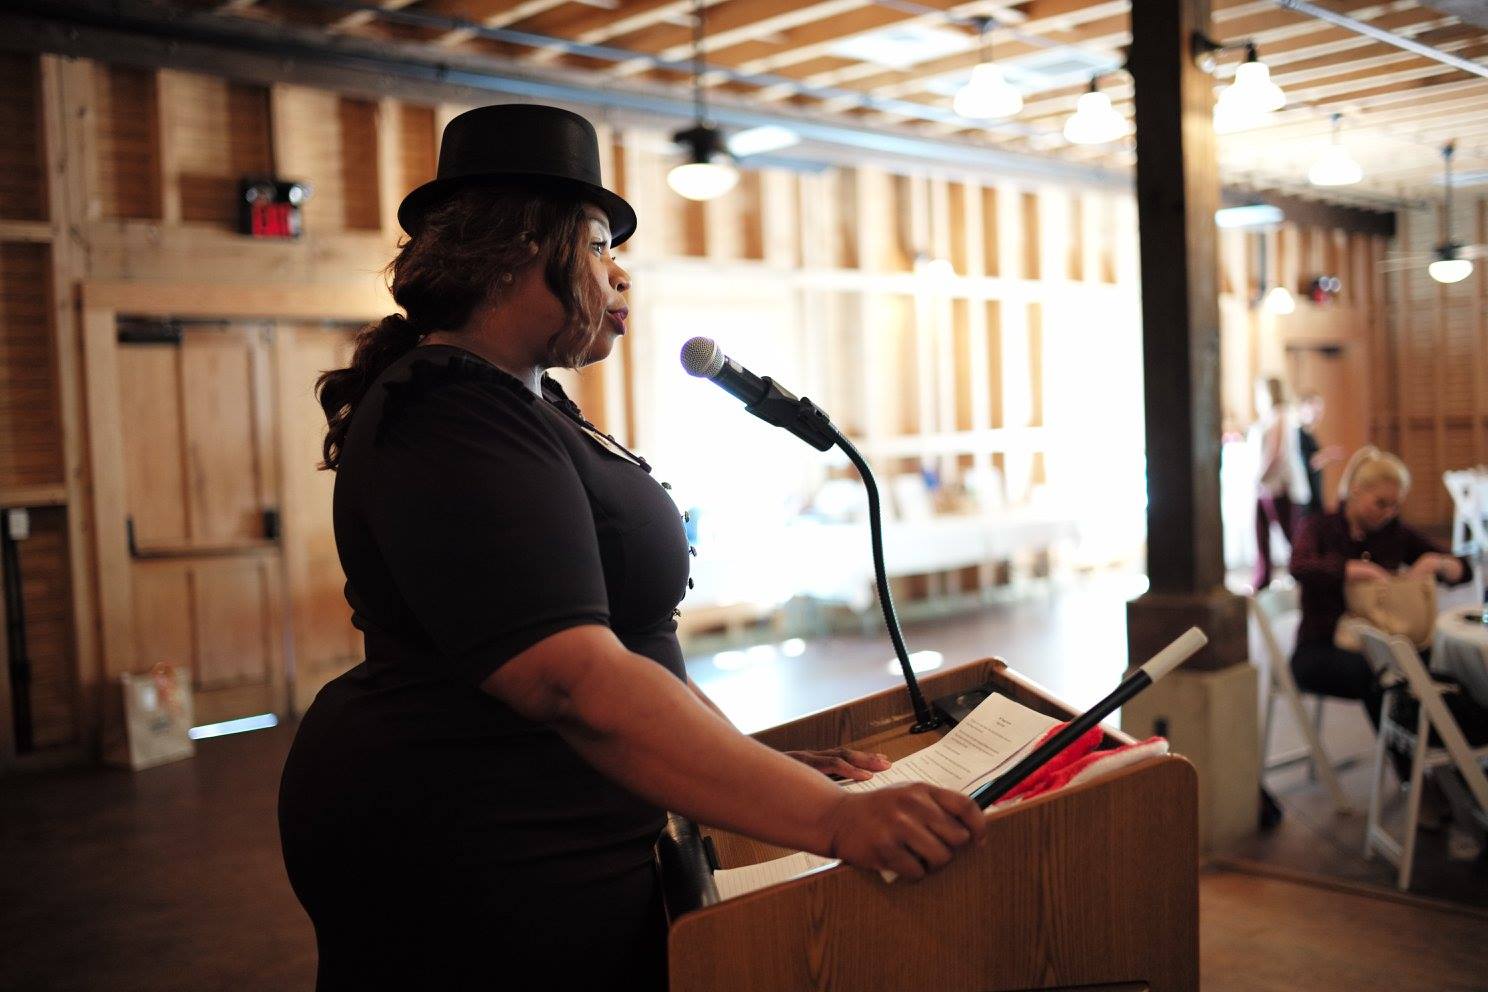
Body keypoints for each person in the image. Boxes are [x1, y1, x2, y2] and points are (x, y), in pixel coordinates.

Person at [277, 105, 985, 991]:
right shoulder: (448, 410)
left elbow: (634, 646)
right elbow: (570, 676)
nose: (620, 276)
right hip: (480, 846)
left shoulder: (527, 401)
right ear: (515, 249)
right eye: (598, 247)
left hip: (560, 826)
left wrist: (754, 769)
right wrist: (836, 821)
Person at [1289, 446, 1469, 736]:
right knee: (1386, 674)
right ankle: (1409, 753)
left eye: (1395, 506)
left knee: (1447, 662)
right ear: (1356, 491)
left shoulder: (1393, 532)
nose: (1389, 513)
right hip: (1321, 646)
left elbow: (1462, 567)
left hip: (1384, 642)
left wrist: (1439, 564)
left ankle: (1445, 745)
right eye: (1381, 503)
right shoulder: (1319, 527)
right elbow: (1300, 566)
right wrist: (1354, 569)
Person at [1251, 376, 1311, 590]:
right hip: (1266, 487)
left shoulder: (1281, 414)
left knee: (1291, 535)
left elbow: (1277, 452)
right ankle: (1262, 581)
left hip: (1280, 487)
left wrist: (1259, 477)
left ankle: (1303, 576)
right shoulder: (1268, 417)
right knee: (1261, 535)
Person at [1295, 390, 1345, 520]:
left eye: (1319, 410)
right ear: (1302, 407)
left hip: (1313, 494)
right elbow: (1307, 464)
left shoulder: (1309, 434)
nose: (1317, 414)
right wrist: (1327, 455)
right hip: (1305, 496)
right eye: (1314, 408)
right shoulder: (1298, 434)